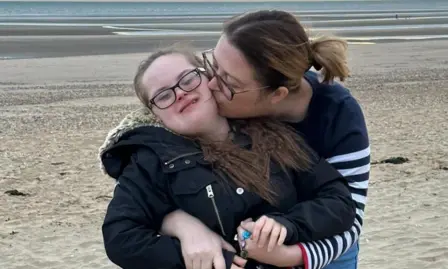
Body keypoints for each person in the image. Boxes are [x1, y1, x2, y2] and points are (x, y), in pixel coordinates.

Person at [98, 48, 357, 269]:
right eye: (163, 95)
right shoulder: (151, 160)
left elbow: (338, 200)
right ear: (155, 113)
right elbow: (121, 237)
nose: (179, 94)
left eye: (187, 79)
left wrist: (287, 225)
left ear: (209, 79)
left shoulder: (275, 136)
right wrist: (197, 255)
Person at [160, 10, 370, 269]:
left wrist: (289, 256)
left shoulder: (338, 116)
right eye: (213, 66)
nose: (211, 85)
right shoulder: (216, 101)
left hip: (320, 248)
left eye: (229, 82)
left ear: (277, 95)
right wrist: (183, 224)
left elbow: (350, 218)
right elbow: (143, 164)